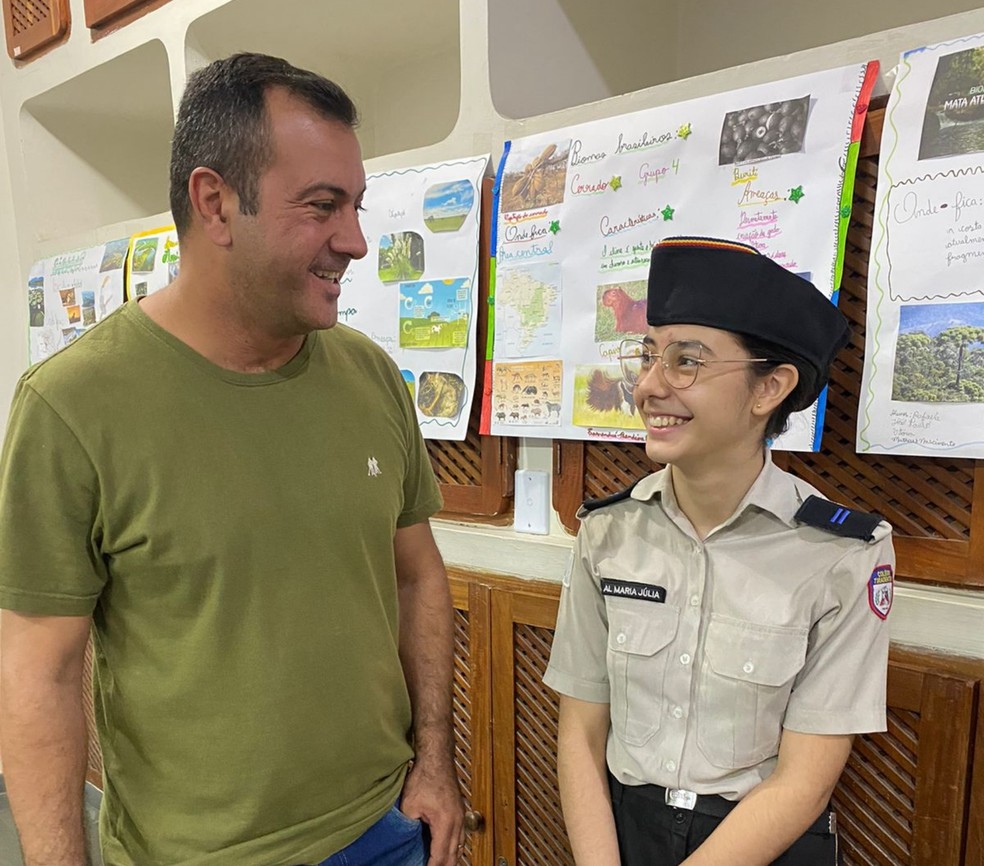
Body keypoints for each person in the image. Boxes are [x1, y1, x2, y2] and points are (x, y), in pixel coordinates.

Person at [0, 53, 464, 866]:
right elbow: (38, 673)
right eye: (322, 206)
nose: (354, 240)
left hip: (386, 830)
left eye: (356, 206)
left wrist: (434, 763)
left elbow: (417, 574)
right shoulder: (70, 407)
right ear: (214, 201)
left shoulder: (370, 377)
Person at [544, 236, 894, 866]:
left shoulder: (840, 554)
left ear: (770, 389)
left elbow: (803, 780)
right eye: (648, 355)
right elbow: (580, 731)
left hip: (763, 840)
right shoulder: (608, 531)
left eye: (687, 361)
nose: (649, 385)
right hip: (624, 832)